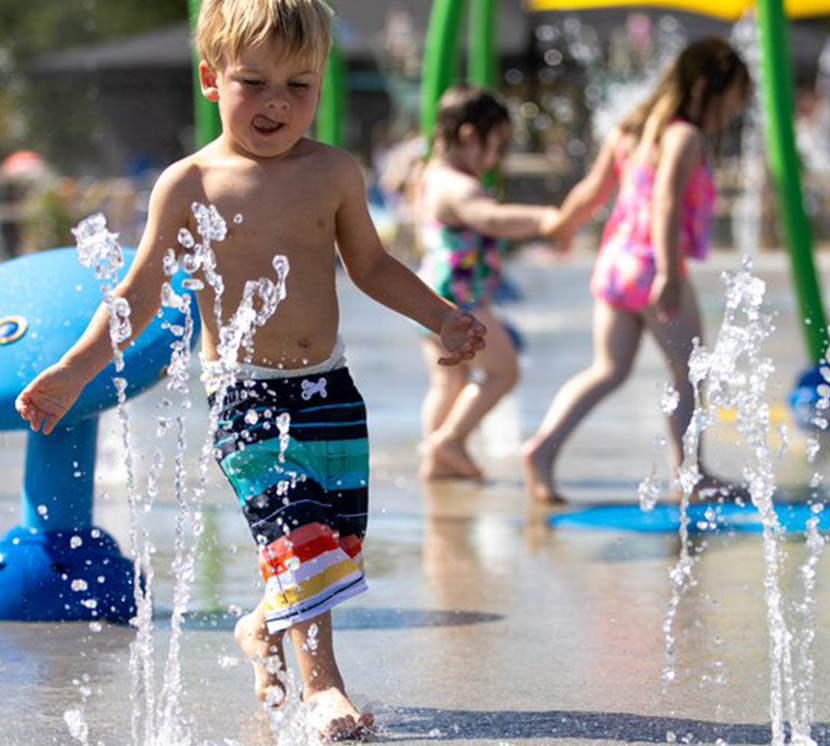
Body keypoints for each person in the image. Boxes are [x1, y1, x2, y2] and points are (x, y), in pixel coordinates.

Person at [14, 0, 485, 740]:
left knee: (337, 542)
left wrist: (443, 316)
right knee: (298, 532)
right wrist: (77, 368)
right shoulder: (189, 184)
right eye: (254, 82)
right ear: (211, 79)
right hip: (244, 396)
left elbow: (371, 266)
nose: (277, 103)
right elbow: (137, 291)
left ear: (322, 85)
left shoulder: (333, 172)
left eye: (299, 86)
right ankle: (324, 687)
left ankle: (260, 627)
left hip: (328, 385)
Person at [522, 38, 749, 504]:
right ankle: (691, 474)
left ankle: (542, 449)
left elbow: (591, 191)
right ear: (706, 87)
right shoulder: (683, 136)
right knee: (689, 373)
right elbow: (666, 201)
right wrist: (668, 271)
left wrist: (561, 228)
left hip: (617, 265)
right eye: (732, 100)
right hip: (654, 267)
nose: (733, 111)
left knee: (607, 369)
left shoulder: (629, 131)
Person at [415, 85, 562, 482]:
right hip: (462, 302)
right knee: (504, 372)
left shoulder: (430, 175)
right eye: (494, 146)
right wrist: (544, 220)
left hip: (429, 298)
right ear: (467, 137)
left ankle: (436, 460)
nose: (495, 159)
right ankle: (449, 441)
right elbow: (489, 219)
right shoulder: (459, 187)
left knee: (448, 382)